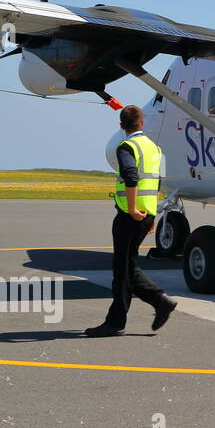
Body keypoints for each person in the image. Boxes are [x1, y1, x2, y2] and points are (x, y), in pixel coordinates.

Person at [85, 105, 178, 337]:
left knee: (122, 270)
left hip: (130, 215)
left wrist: (134, 208)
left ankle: (117, 322)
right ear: (142, 123)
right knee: (127, 266)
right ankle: (159, 302)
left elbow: (131, 176)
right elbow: (156, 181)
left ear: (121, 126)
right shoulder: (154, 148)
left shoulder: (126, 146)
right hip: (146, 215)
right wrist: (152, 214)